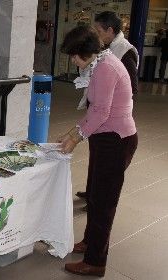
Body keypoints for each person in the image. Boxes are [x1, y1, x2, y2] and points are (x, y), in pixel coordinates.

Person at [58, 25, 137, 277]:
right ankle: (89, 243)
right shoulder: (100, 63)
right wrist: (72, 132)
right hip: (105, 139)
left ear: (86, 51)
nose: (72, 60)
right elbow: (94, 112)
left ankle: (96, 261)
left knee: (103, 203)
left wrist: (75, 139)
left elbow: (101, 113)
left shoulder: (105, 68)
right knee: (94, 196)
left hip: (115, 141)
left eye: (73, 55)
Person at [76, 11, 139, 202]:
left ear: (110, 30)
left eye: (97, 30)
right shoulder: (104, 52)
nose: (94, 34)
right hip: (99, 119)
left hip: (112, 125)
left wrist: (75, 136)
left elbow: (131, 88)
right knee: (96, 161)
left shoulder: (123, 52)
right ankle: (92, 192)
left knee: (105, 178)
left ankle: (97, 196)